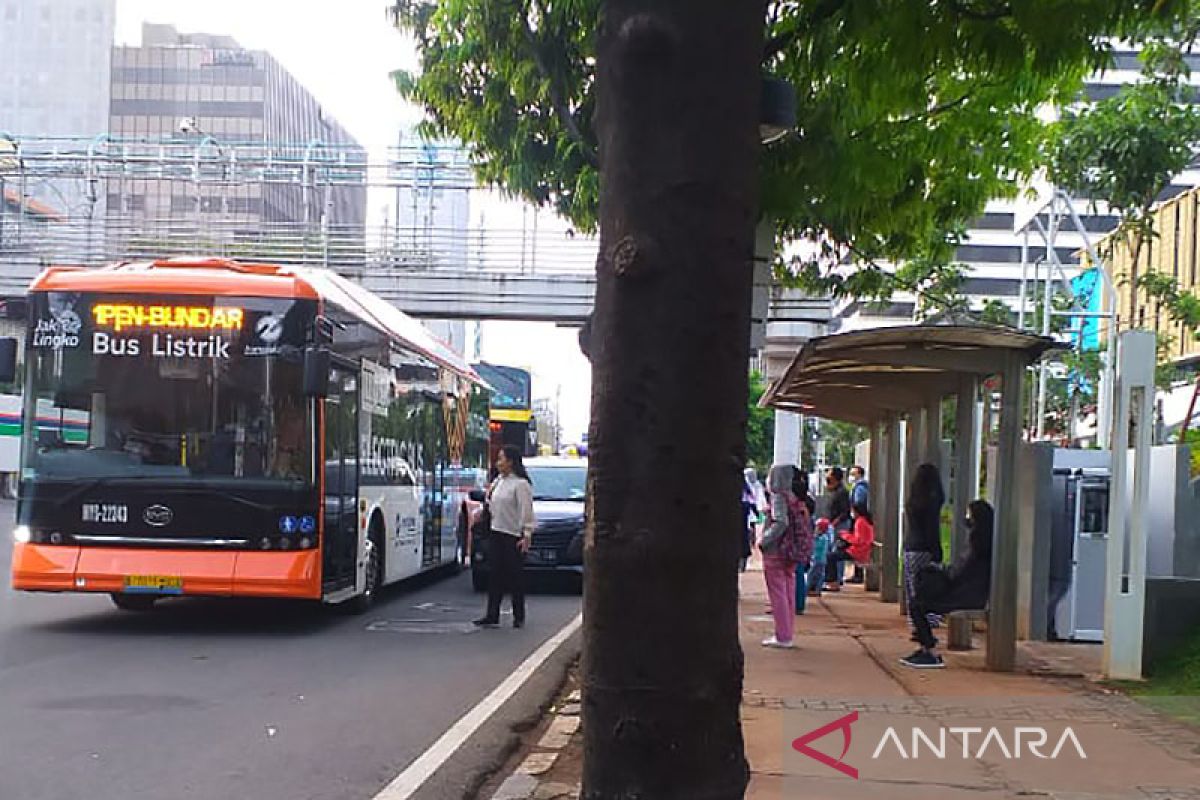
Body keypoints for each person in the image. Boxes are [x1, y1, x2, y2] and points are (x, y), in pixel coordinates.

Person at [901, 500, 994, 669]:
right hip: (968, 591)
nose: (966, 519)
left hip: (967, 595)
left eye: (969, 515)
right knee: (919, 601)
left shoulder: (977, 544)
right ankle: (926, 646)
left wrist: (942, 572)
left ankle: (928, 650)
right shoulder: (983, 542)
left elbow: (961, 571)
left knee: (918, 604)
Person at [474, 445, 535, 629]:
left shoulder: (521, 485)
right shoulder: (498, 481)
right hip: (496, 532)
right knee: (495, 576)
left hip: (513, 535)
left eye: (501, 459)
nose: (498, 463)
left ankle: (519, 616)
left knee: (515, 577)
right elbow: (491, 504)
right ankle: (492, 614)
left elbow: (526, 511)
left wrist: (527, 534)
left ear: (511, 462)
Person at [759, 465, 812, 648]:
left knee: (777, 593)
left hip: (776, 550)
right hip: (790, 551)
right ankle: (787, 632)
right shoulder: (795, 498)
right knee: (788, 590)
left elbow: (781, 521)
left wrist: (764, 540)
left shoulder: (778, 497)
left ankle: (782, 635)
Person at [903, 463, 946, 617]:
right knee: (928, 588)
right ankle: (928, 622)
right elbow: (932, 529)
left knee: (912, 588)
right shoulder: (931, 503)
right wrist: (937, 552)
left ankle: (915, 623)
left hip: (910, 548)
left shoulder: (912, 502)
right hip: (925, 549)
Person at [824, 500, 875, 591]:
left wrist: (845, 536)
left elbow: (858, 540)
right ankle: (833, 581)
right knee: (834, 554)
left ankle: (832, 583)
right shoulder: (866, 521)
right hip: (863, 549)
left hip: (858, 551)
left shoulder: (860, 522)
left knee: (831, 557)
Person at [821, 467, 853, 590]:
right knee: (832, 549)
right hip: (832, 524)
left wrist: (834, 523)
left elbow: (845, 511)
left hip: (839, 525)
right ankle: (832, 577)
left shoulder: (842, 492)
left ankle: (836, 578)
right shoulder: (833, 490)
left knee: (836, 550)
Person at [846, 466, 870, 583]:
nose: (851, 476)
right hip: (858, 517)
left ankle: (858, 574)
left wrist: (855, 512)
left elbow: (859, 502)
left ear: (860, 474)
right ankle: (857, 573)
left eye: (853, 473)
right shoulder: (860, 486)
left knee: (857, 543)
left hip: (857, 518)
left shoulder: (860, 488)